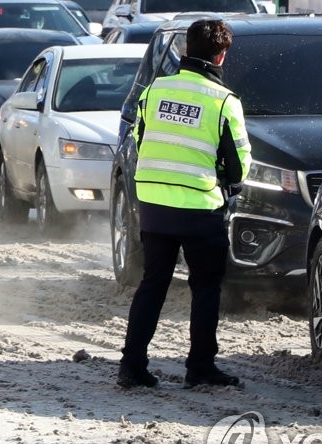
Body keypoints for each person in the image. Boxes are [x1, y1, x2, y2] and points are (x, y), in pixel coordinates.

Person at [118, 19, 251, 389]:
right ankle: (200, 368)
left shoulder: (154, 91)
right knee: (206, 287)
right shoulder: (224, 101)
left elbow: (141, 141)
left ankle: (131, 366)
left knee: (153, 284)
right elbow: (239, 165)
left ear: (185, 50)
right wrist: (225, 181)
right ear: (222, 55)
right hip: (199, 207)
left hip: (154, 203)